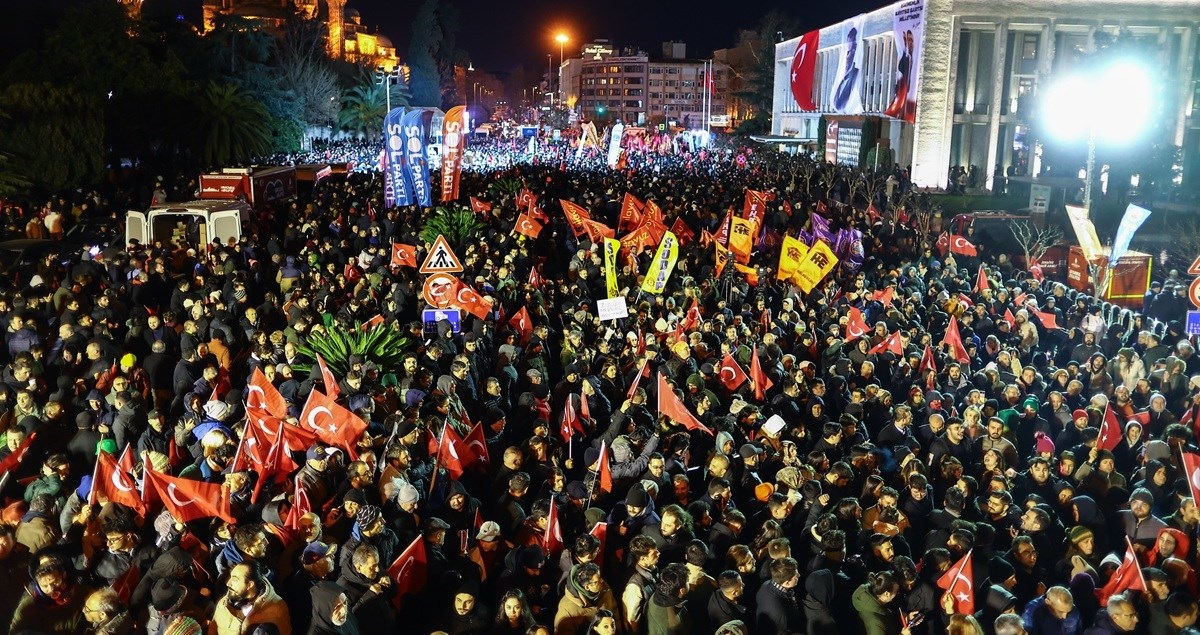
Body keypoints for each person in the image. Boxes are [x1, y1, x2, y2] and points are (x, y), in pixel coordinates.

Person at [211, 561, 292, 635]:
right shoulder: (224, 604)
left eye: (235, 580)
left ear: (250, 585)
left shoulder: (278, 608)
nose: (228, 583)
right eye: (230, 577)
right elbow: (212, 629)